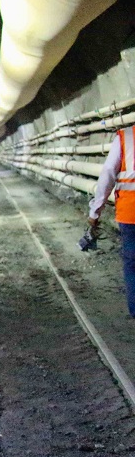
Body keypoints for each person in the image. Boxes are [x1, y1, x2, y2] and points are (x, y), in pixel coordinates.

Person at [89, 124, 135, 316]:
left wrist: (95, 211)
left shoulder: (126, 137)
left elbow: (108, 173)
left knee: (133, 264)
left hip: (131, 213)